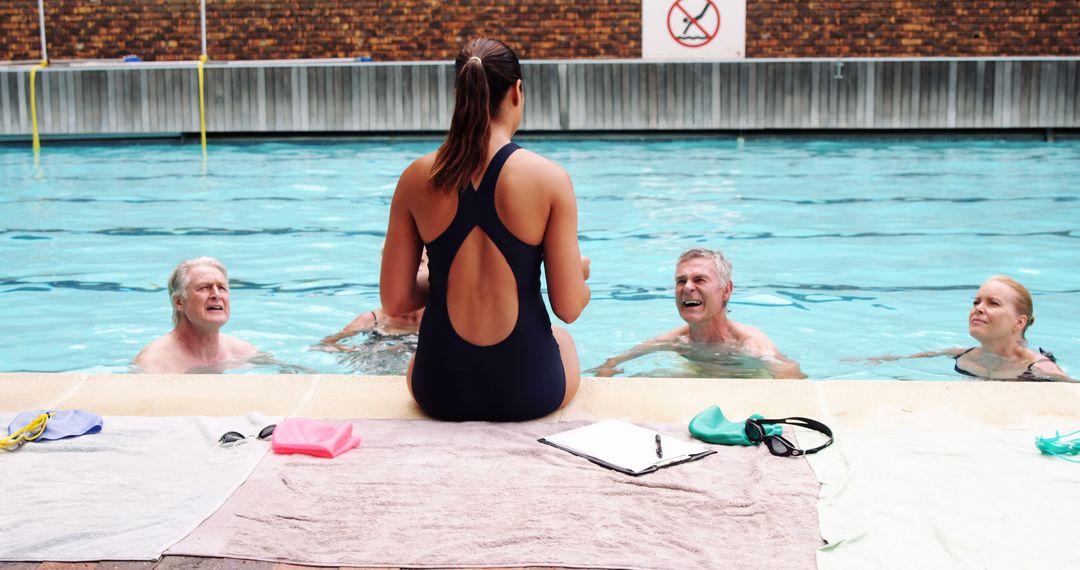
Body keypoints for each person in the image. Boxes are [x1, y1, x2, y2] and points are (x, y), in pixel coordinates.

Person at [380, 38, 591, 421]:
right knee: (565, 340)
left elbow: (396, 302)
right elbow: (569, 307)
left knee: (419, 357)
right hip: (530, 392)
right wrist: (579, 273)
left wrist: (447, 278)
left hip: (438, 390)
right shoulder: (549, 179)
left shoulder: (415, 178)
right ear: (517, 91)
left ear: (459, 94)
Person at [589, 248, 805, 379]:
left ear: (727, 290)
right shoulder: (677, 340)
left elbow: (791, 375)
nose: (687, 287)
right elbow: (612, 362)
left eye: (699, 280)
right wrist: (608, 370)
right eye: (681, 281)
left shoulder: (748, 344)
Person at [867, 275, 1071, 381]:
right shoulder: (962, 354)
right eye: (976, 302)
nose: (979, 309)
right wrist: (883, 360)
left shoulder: (1040, 369)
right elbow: (915, 358)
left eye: (993, 303)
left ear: (1019, 323)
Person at [133, 257, 259, 373]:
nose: (216, 295)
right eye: (204, 287)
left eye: (221, 288)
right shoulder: (152, 363)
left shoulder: (243, 353)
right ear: (179, 302)